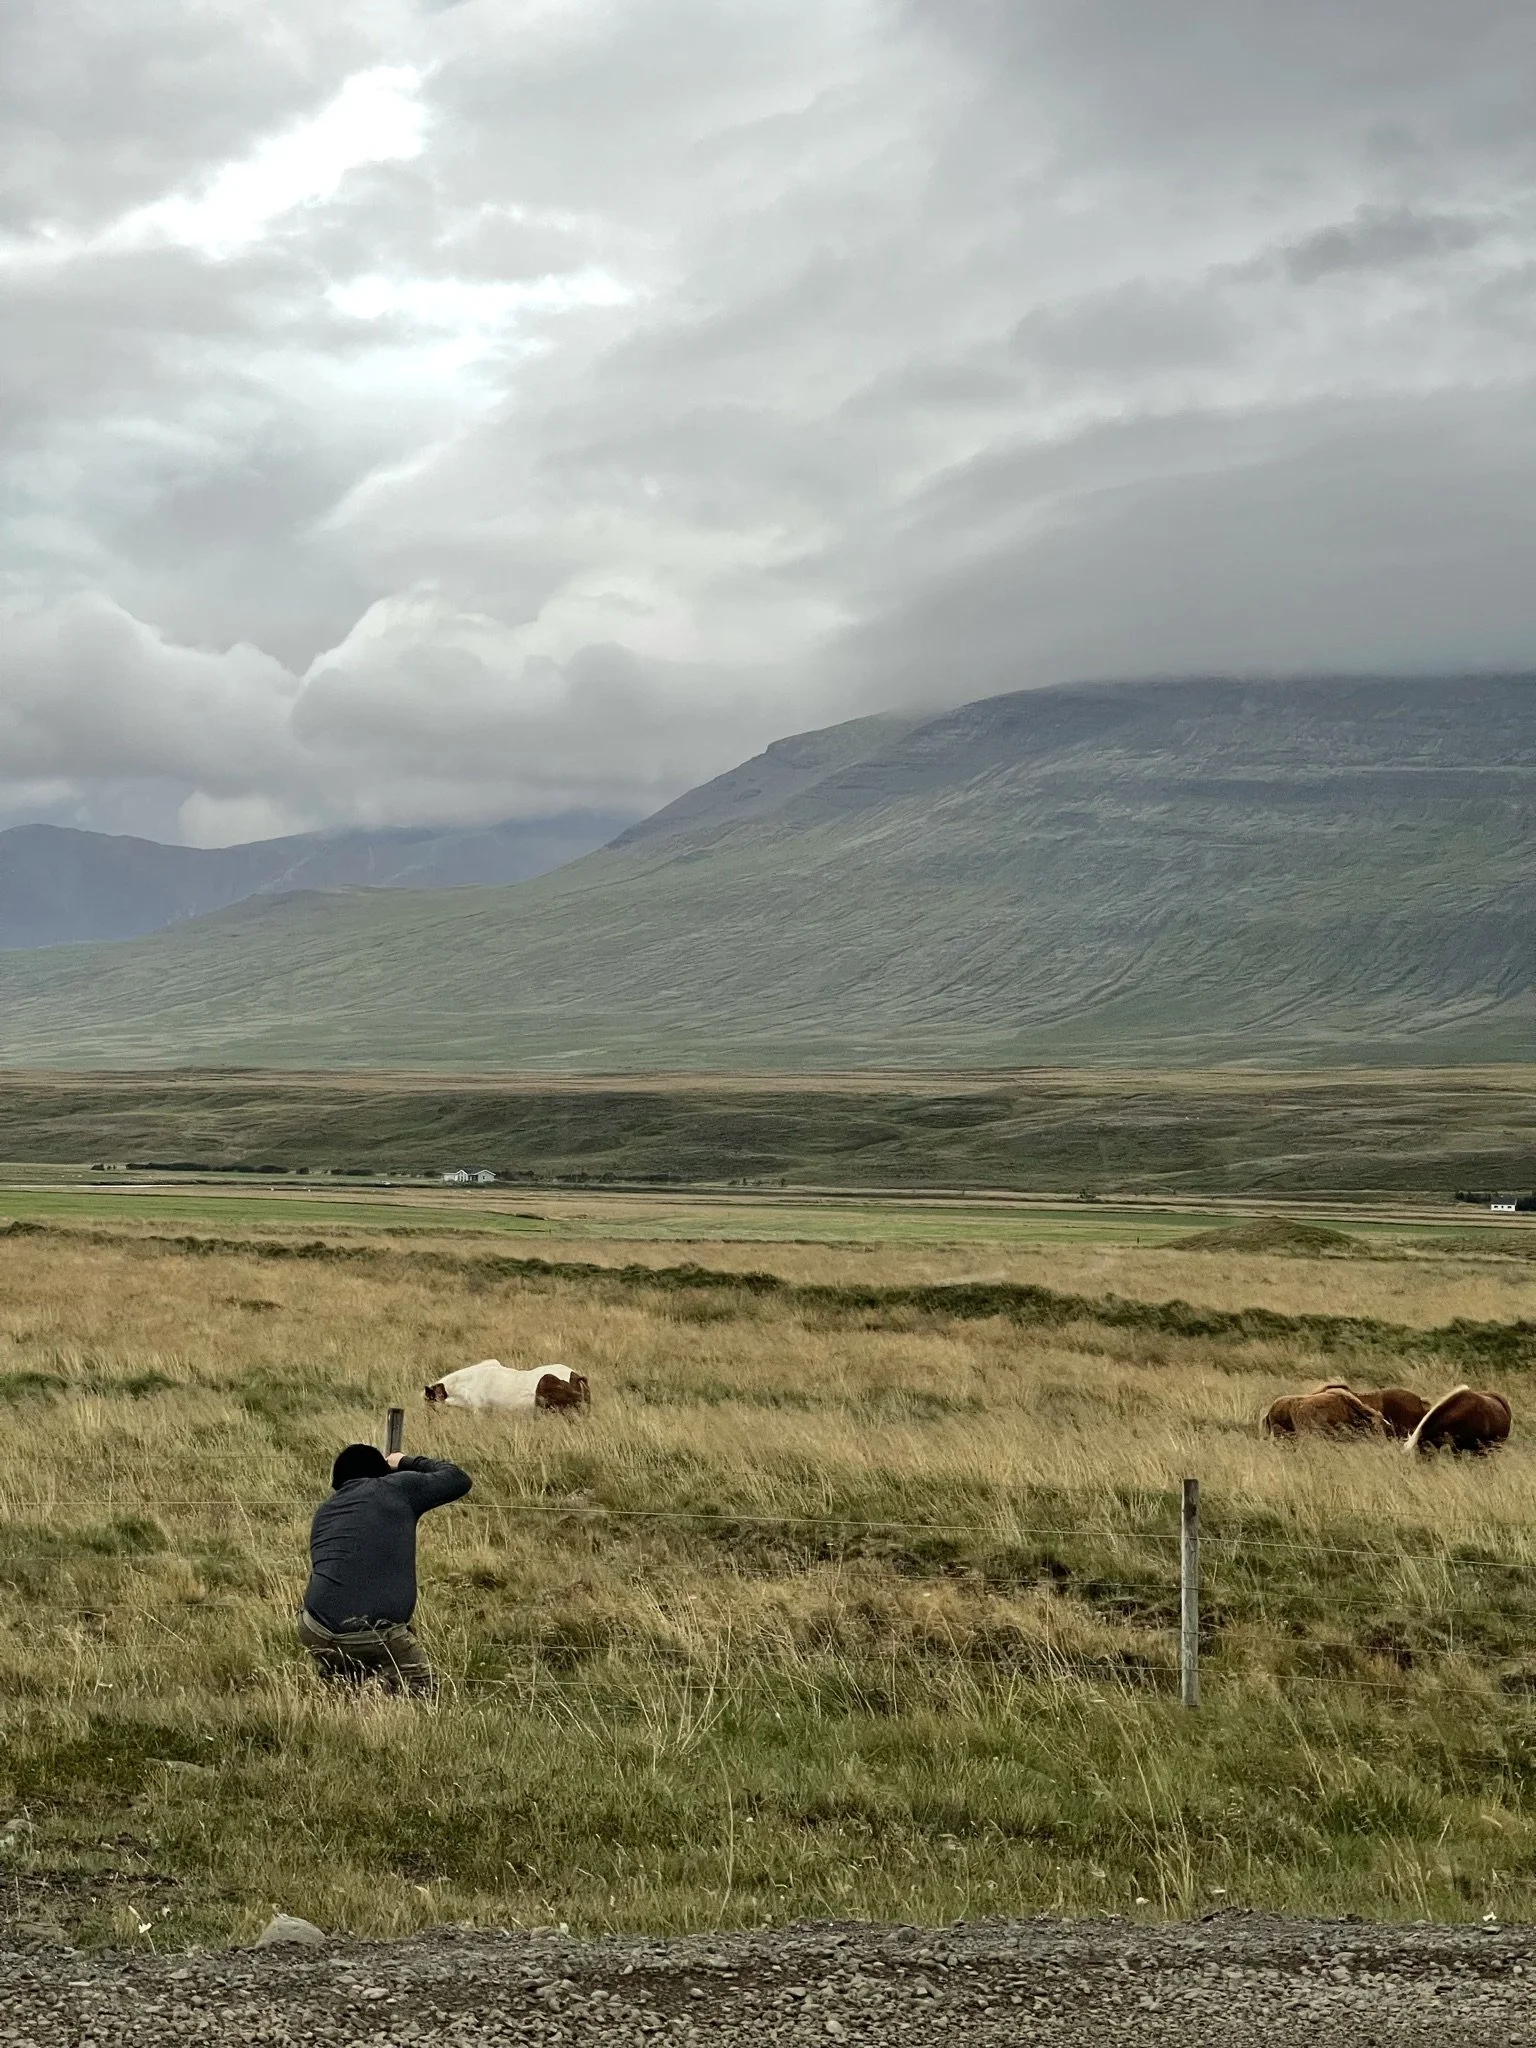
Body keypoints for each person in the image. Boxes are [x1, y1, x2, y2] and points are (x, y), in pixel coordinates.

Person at [298, 1443, 472, 1696]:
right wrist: (404, 1461)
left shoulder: (325, 1510)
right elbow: (458, 1479)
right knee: (423, 1696)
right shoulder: (395, 1487)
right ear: (384, 1473)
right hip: (375, 1633)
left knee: (344, 1694)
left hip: (314, 1628)